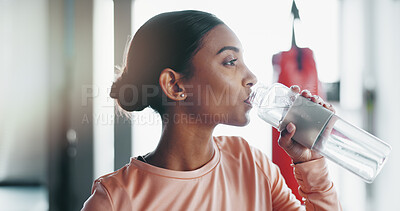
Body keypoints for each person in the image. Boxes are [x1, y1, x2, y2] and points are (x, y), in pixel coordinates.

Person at [82, 10, 341, 211]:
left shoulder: (250, 164)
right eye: (230, 62)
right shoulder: (115, 200)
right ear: (174, 84)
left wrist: (309, 163)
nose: (251, 77)